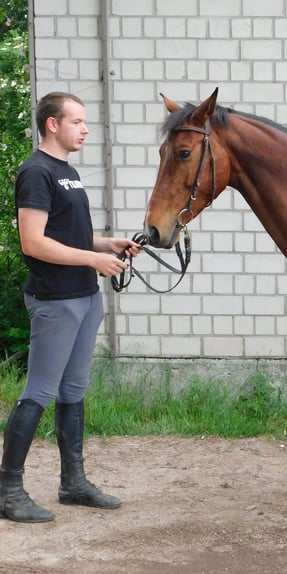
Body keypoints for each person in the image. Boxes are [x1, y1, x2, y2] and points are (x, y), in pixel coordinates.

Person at [0, 92, 142, 523]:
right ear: (52, 125)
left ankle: (72, 482)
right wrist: (93, 259)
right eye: (77, 121)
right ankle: (8, 491)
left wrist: (107, 244)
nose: (85, 129)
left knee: (74, 390)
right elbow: (34, 242)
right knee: (40, 391)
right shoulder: (36, 172)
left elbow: (68, 237)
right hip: (55, 300)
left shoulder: (68, 172)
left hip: (84, 296)